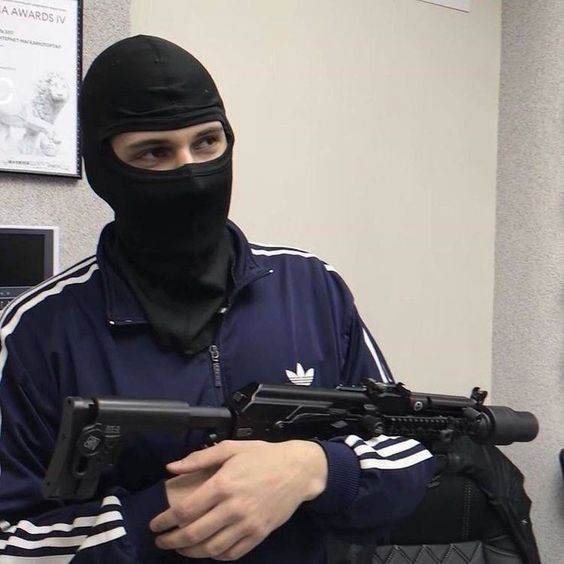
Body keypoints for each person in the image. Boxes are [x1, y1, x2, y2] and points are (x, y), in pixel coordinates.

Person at [0, 35, 435, 563]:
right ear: (103, 168)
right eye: (154, 152)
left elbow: (404, 454)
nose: (192, 173)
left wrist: (311, 468)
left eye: (207, 143)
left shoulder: (310, 287)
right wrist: (160, 515)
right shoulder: (36, 331)